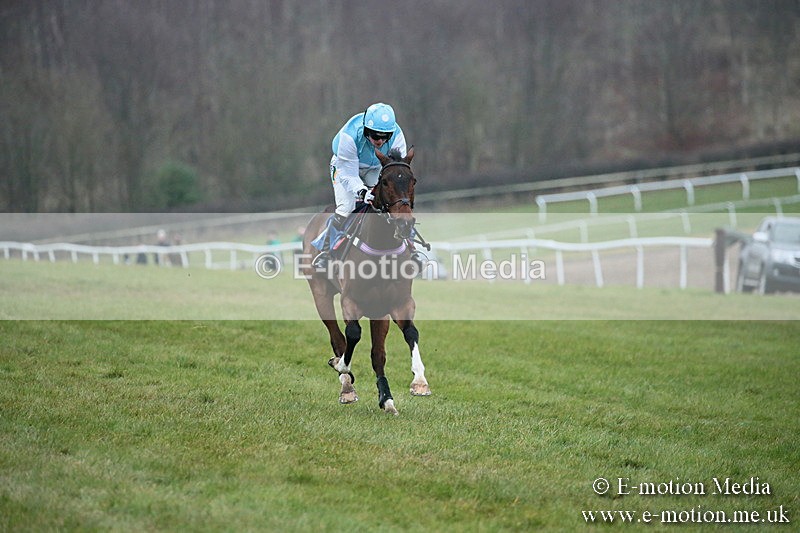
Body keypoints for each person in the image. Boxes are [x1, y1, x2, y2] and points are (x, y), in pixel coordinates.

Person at [312, 102, 423, 269]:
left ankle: (412, 249)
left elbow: (395, 169)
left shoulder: (398, 136)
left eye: (385, 137)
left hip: (375, 167)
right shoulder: (349, 136)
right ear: (365, 130)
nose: (380, 141)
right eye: (375, 136)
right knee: (346, 206)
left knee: (392, 204)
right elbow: (349, 175)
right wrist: (362, 192)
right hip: (345, 167)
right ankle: (326, 252)